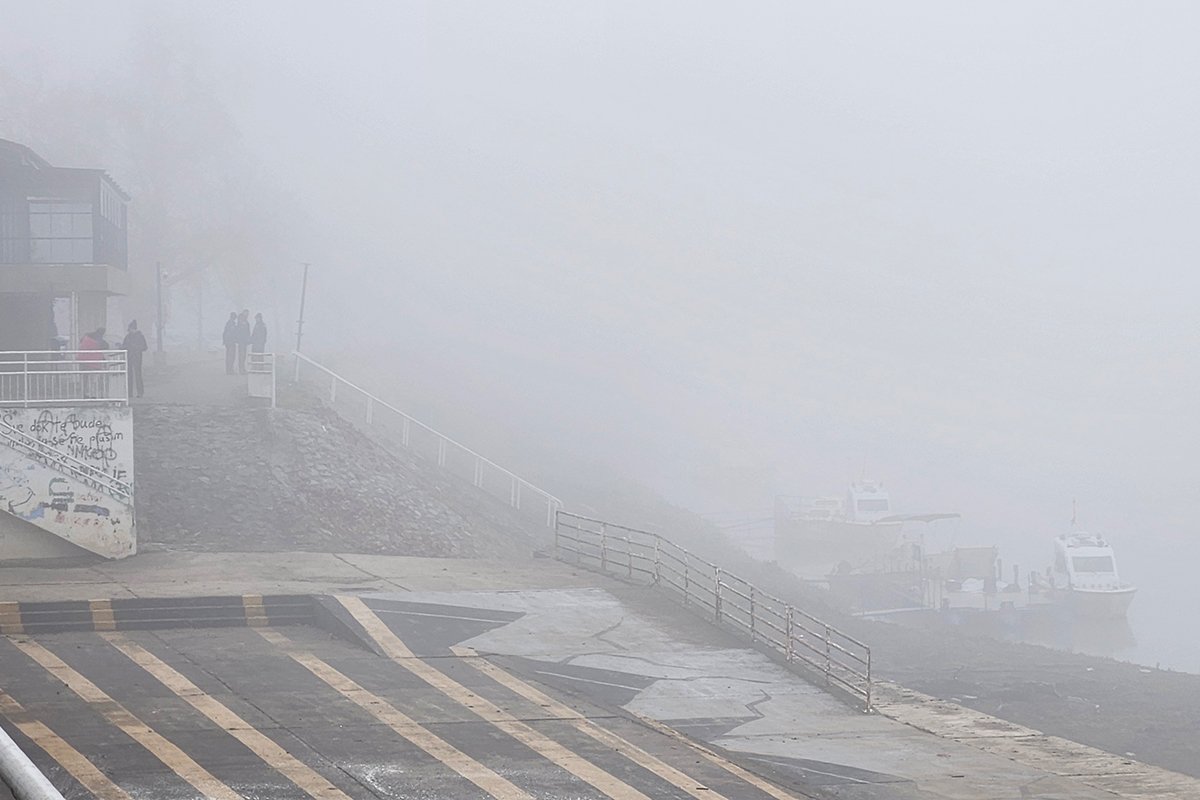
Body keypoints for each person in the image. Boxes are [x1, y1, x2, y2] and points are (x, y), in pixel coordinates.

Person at [121, 320, 148, 398]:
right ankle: (130, 393)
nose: (129, 331)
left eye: (130, 329)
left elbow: (145, 347)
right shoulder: (128, 336)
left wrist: (135, 348)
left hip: (137, 357)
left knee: (138, 375)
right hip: (129, 357)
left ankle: (140, 392)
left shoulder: (140, 336)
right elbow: (124, 345)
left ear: (133, 328)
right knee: (129, 375)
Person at [78, 327, 105, 399]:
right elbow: (103, 346)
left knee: (85, 379)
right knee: (93, 379)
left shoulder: (85, 338)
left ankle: (84, 394)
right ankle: (92, 394)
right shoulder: (98, 340)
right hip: (93, 363)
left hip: (83, 361)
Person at [235, 310, 251, 374]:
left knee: (243, 355)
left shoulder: (245, 321)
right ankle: (241, 369)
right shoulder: (241, 321)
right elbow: (240, 331)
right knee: (241, 355)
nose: (247, 315)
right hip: (242, 341)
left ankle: (242, 368)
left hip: (244, 341)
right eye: (247, 313)